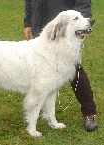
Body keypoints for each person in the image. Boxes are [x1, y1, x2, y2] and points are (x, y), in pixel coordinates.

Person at [24, 0, 98, 132]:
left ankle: (89, 112)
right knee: (43, 79)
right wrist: (28, 23)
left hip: (64, 26)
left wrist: (81, 23)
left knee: (75, 71)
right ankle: (45, 115)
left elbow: (83, 2)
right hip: (42, 27)